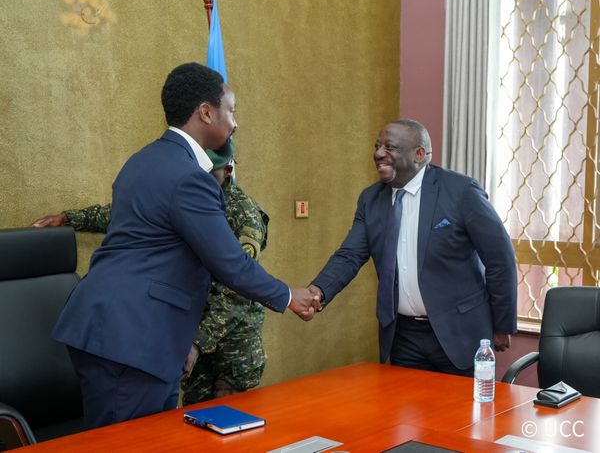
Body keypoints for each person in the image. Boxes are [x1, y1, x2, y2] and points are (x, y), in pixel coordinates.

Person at [50, 63, 319, 428]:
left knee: (150, 438)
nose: (235, 123)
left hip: (119, 331)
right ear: (206, 112)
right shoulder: (189, 178)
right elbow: (230, 263)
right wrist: (288, 296)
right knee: (132, 444)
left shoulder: (143, 160)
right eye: (231, 111)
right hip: (133, 339)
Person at [33, 144, 275, 404]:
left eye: (209, 171)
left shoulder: (243, 215)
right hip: (193, 328)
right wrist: (69, 219)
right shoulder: (188, 194)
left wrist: (197, 342)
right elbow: (129, 212)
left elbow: (237, 293)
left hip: (233, 342)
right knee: (192, 417)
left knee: (229, 420)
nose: (201, 175)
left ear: (227, 171)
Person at [309, 119, 517, 376]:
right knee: (404, 403)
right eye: (377, 146)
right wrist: (318, 291)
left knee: (463, 404)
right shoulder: (370, 199)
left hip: (459, 332)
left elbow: (500, 259)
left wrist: (502, 324)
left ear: (419, 154)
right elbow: (350, 255)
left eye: (389, 147)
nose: (378, 154)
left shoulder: (461, 191)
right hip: (404, 336)